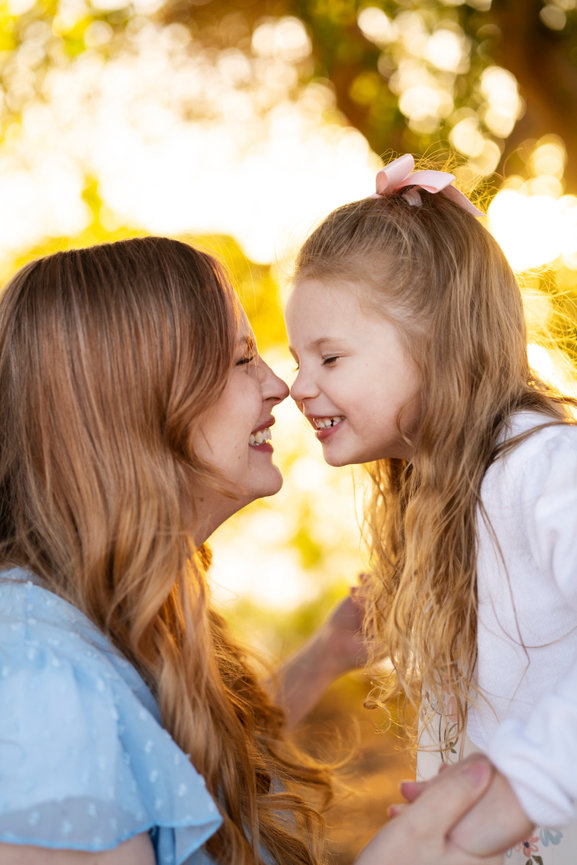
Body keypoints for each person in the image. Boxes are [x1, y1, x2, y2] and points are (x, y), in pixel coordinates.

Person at [0, 236, 499, 865]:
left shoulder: (117, 621)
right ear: (133, 402)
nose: (279, 386)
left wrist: (325, 656)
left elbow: (176, 768)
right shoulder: (36, 679)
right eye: (241, 360)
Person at [284, 153, 577, 863]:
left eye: (329, 358)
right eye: (297, 359)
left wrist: (516, 790)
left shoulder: (541, 468)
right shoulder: (438, 495)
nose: (297, 385)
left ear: (437, 341)